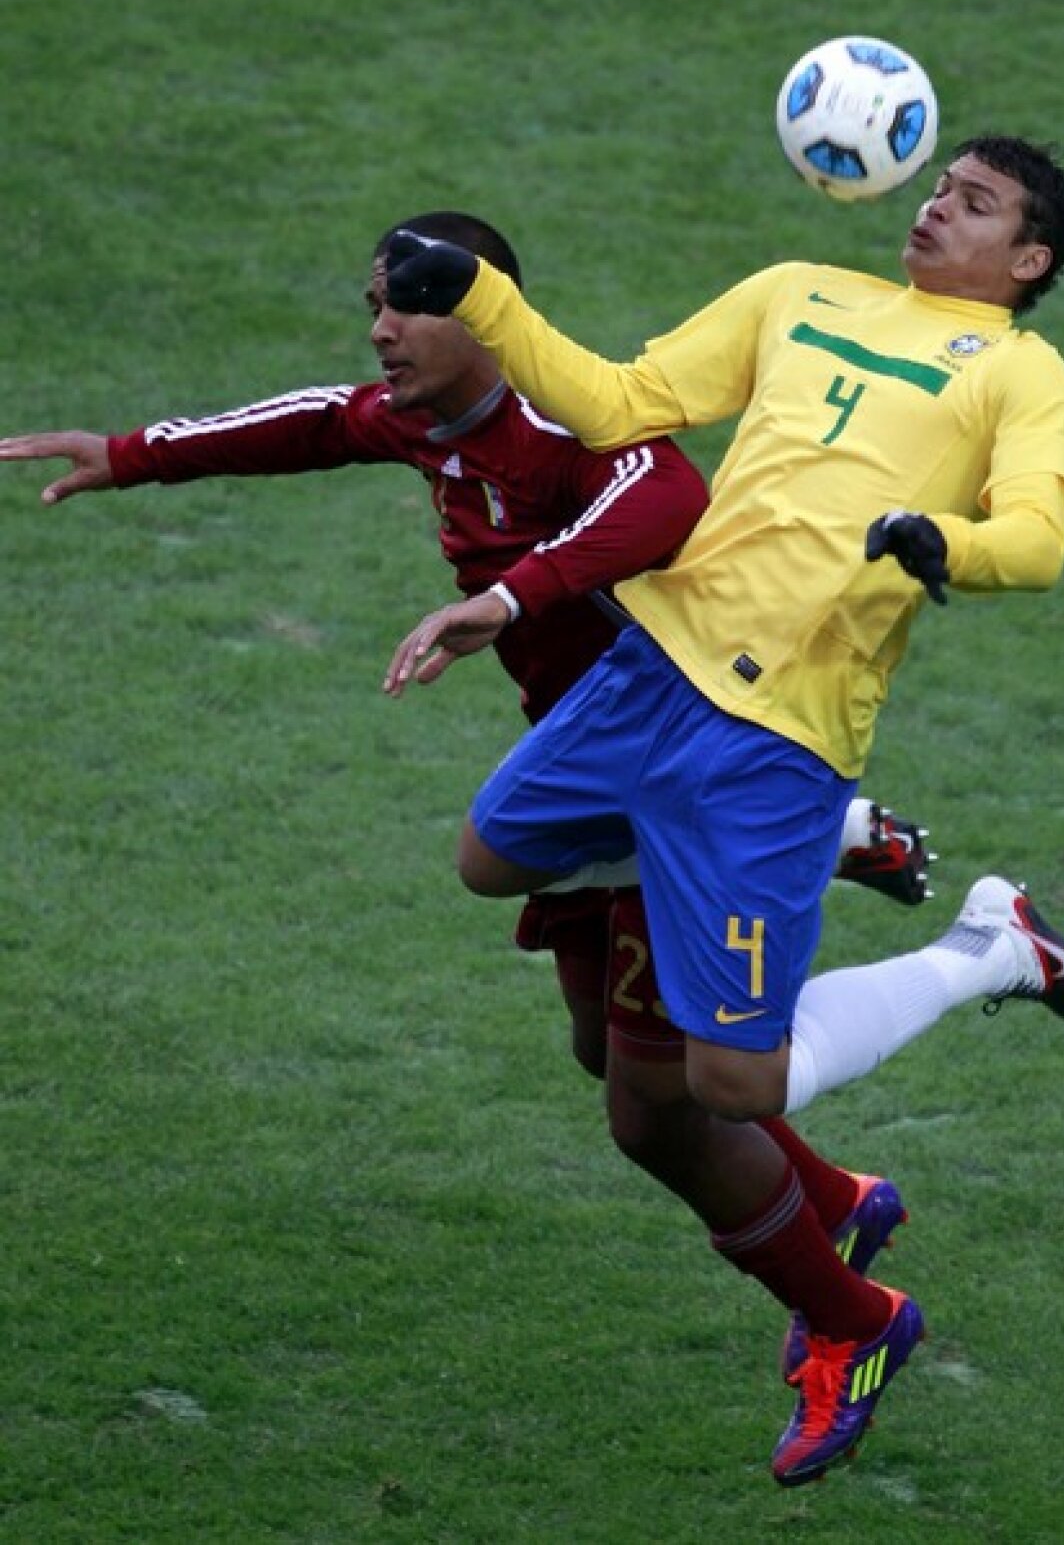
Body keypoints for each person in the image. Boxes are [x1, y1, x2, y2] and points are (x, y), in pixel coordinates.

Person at [0, 211, 965, 1486]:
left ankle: (860, 1319)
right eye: (376, 303)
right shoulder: (420, 418)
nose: (382, 327)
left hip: (657, 779)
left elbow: (672, 493)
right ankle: (840, 1195)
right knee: (604, 1053)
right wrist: (131, 453)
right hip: (579, 791)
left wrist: (515, 595)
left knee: (654, 1112)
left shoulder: (568, 427)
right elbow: (310, 421)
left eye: (410, 303)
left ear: (489, 310)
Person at [380, 139, 1064, 1483]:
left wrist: (947, 543)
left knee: (731, 1085)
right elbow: (614, 401)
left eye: (979, 202)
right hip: (650, 672)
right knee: (489, 855)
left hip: (778, 742)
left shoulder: (1018, 370)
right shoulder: (796, 291)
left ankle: (986, 944)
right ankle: (814, 879)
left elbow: (1038, 539)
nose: (941, 204)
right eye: (941, 185)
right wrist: (479, 297)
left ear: (1030, 260)